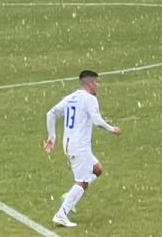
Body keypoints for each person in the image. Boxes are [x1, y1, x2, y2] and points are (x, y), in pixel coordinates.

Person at [43, 70, 121, 228]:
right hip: (80, 146)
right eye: (97, 82)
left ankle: (70, 196)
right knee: (82, 182)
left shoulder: (71, 97)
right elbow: (97, 121)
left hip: (70, 144)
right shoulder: (90, 99)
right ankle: (62, 214)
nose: (98, 85)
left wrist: (52, 137)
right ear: (90, 83)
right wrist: (112, 129)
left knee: (98, 170)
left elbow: (50, 114)